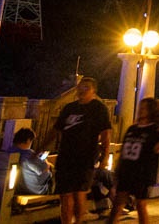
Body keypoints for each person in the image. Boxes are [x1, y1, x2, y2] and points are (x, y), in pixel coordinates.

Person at [52, 76, 112, 224]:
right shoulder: (69, 108)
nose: (82, 90)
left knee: (79, 194)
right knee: (65, 196)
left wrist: (104, 157)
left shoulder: (98, 108)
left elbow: (105, 134)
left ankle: (79, 220)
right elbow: (56, 130)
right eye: (81, 87)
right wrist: (40, 149)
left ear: (93, 91)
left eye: (87, 87)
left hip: (85, 158)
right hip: (65, 157)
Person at [109, 97, 159, 223]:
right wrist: (118, 170)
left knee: (141, 205)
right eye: (140, 107)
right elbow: (124, 152)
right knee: (117, 205)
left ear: (151, 111)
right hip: (126, 172)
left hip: (142, 174)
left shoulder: (155, 130)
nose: (141, 110)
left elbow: (157, 150)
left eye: (144, 108)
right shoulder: (132, 129)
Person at [10, 127, 54, 195]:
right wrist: (45, 160)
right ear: (28, 140)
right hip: (34, 190)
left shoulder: (9, 152)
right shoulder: (29, 154)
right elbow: (45, 168)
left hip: (17, 189)